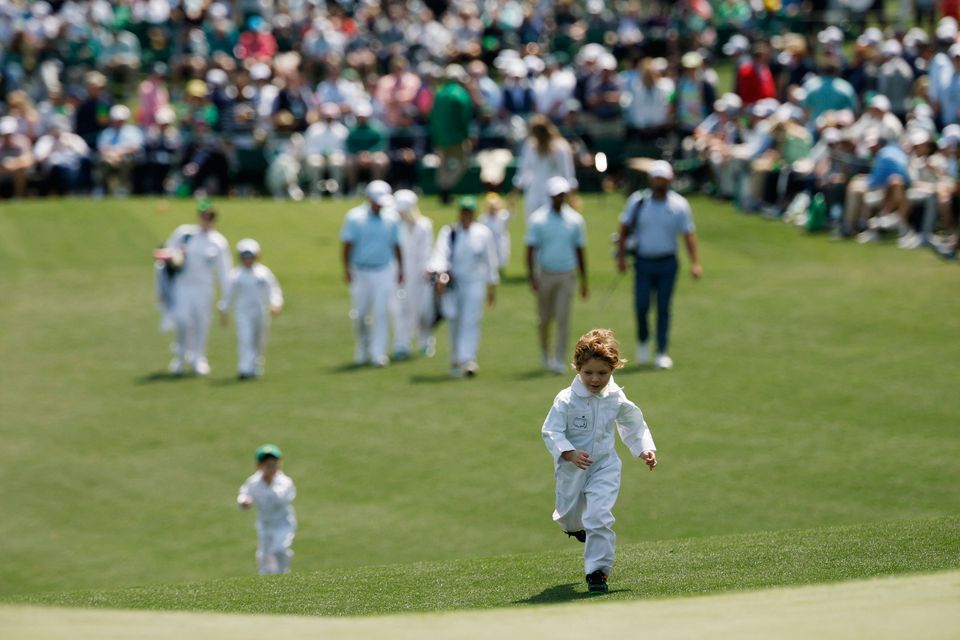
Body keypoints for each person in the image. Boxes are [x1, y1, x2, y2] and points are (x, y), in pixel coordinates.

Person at [540, 328, 657, 594]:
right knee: (569, 518)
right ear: (577, 369)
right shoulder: (566, 400)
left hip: (604, 466)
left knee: (598, 516)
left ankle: (597, 573)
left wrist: (644, 449)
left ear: (613, 369)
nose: (595, 379)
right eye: (588, 373)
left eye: (603, 373)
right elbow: (551, 431)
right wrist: (568, 452)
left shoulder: (615, 397)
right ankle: (575, 528)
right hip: (572, 469)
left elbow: (633, 425)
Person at [615, 161, 702, 370]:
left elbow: (688, 234)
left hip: (668, 262)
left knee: (663, 307)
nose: (659, 182)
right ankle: (643, 341)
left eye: (662, 178)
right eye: (656, 178)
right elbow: (624, 228)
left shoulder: (679, 205)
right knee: (642, 305)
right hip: (643, 261)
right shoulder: (638, 201)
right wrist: (620, 257)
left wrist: (695, 263)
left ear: (669, 179)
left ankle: (662, 351)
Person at [155, 201, 232, 376]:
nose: (206, 219)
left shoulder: (218, 242)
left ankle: (199, 358)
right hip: (183, 285)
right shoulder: (184, 233)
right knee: (182, 320)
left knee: (201, 323)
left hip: (204, 288)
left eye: (210, 216)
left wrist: (225, 300)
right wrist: (168, 257)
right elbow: (168, 252)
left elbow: (224, 272)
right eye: (203, 215)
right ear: (198, 216)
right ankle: (181, 357)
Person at [429, 196, 499, 378]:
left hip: (475, 283)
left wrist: (492, 286)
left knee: (470, 320)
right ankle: (455, 359)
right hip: (454, 284)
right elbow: (440, 255)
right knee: (454, 320)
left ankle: (468, 359)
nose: (466, 215)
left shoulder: (483, 233)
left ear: (474, 213)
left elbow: (490, 261)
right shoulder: (450, 232)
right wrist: (441, 275)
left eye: (469, 212)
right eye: (463, 211)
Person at [526, 176, 589, 374]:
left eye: (562, 195)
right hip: (545, 273)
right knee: (544, 319)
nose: (559, 199)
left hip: (566, 274)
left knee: (563, 318)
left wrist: (584, 279)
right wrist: (532, 276)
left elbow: (580, 250)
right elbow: (530, 250)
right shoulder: (538, 219)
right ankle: (546, 353)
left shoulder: (575, 220)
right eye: (556, 195)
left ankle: (560, 359)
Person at [341, 180, 403, 367]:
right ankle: (363, 348)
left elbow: (396, 245)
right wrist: (346, 270)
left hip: (384, 270)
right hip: (360, 271)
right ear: (369, 199)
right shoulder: (354, 217)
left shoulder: (392, 218)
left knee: (381, 313)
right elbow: (347, 246)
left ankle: (378, 353)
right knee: (360, 314)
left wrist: (401, 269)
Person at [220, 239, 284, 380]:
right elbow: (228, 295)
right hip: (243, 313)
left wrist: (276, 303)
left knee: (259, 340)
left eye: (250, 256)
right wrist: (224, 310)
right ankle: (244, 368)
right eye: (244, 256)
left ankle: (256, 367)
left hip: (261, 312)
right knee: (245, 339)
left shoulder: (263, 273)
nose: (247, 260)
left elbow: (274, 289)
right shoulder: (236, 275)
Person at [237, 444, 297, 576]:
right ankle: (265, 579)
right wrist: (244, 501)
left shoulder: (285, 482)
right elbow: (244, 494)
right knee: (264, 554)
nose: (271, 468)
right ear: (259, 466)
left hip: (283, 524)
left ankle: (283, 574)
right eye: (268, 465)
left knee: (280, 550)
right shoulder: (253, 482)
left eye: (274, 464)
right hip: (265, 524)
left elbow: (283, 500)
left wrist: (270, 486)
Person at [391, 190, 436, 359]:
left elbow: (427, 250)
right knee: (401, 310)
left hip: (420, 274)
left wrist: (427, 269)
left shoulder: (424, 226)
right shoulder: (395, 225)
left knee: (423, 309)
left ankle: (426, 341)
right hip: (401, 273)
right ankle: (402, 343)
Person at [512, 114, 577, 225]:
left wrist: (571, 195)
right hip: (534, 193)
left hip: (554, 193)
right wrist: (515, 193)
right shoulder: (530, 146)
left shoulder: (561, 147)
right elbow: (523, 171)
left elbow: (568, 174)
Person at [479, 192, 513, 273]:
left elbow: (510, 214)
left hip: (500, 241)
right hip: (489, 241)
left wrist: (511, 203)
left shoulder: (502, 215)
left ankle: (500, 271)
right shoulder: (484, 218)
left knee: (502, 256)